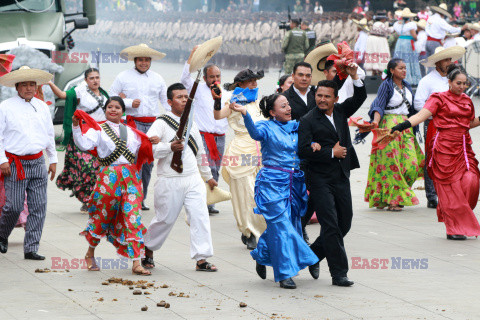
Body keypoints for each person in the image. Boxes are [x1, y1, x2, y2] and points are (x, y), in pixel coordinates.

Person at [230, 94, 319, 289]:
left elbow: (306, 145)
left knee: (287, 226)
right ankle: (288, 271)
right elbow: (253, 133)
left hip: (293, 183)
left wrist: (313, 144)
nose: (288, 109)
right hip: (271, 183)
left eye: (288, 105)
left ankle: (262, 255)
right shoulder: (266, 127)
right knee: (281, 226)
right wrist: (245, 113)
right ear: (272, 112)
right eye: (283, 106)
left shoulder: (297, 127)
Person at [391, 64, 480, 240]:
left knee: (471, 182)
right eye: (458, 83)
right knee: (451, 190)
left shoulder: (467, 101)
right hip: (443, 150)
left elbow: (468, 124)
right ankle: (454, 227)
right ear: (449, 82)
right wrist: (401, 126)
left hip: (463, 149)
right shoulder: (438, 98)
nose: (462, 87)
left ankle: (457, 217)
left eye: (465, 84)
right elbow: (420, 116)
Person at [298, 62, 366, 287]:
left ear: (335, 99)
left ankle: (313, 255)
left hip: (341, 176)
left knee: (345, 222)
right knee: (331, 225)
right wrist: (330, 152)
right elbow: (303, 150)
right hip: (319, 178)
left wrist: (355, 76)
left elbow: (359, 98)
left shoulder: (340, 111)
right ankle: (339, 273)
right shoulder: (308, 120)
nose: (322, 100)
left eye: (327, 96)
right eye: (319, 96)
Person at [72, 96, 154, 275]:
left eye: (117, 107)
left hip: (131, 178)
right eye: (110, 107)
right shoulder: (98, 130)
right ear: (106, 109)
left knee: (133, 216)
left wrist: (159, 143)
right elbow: (84, 144)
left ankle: (136, 262)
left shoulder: (133, 133)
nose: (113, 110)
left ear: (123, 111)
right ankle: (90, 252)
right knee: (103, 217)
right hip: (108, 178)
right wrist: (77, 127)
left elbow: (146, 150)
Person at [142, 83, 219, 272]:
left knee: (200, 217)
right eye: (180, 97)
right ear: (169, 101)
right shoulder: (161, 122)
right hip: (169, 179)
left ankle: (202, 259)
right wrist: (169, 147)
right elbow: (148, 149)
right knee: (165, 219)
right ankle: (148, 250)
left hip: (192, 178)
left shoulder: (192, 122)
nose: (185, 100)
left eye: (186, 96)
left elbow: (200, 153)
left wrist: (208, 177)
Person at [0, 66, 58, 260]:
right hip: (14, 164)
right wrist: (2, 161)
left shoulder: (42, 106)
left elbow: (49, 134)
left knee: (38, 206)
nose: (28, 88)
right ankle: (1, 234)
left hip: (38, 161)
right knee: (14, 206)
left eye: (32, 84)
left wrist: (53, 159)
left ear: (36, 86)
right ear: (17, 86)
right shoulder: (5, 106)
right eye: (24, 84)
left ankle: (31, 247)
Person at [109, 43, 168, 211]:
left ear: (150, 61)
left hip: (153, 124)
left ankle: (142, 198)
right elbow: (111, 97)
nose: (144, 63)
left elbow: (166, 102)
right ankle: (130, 195)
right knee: (132, 160)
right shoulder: (123, 76)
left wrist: (175, 118)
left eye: (147, 60)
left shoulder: (158, 78)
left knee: (148, 162)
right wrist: (128, 102)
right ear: (135, 60)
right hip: (132, 124)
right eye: (140, 60)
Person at [215, 69, 267, 250]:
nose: (254, 84)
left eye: (255, 81)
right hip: (241, 151)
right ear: (240, 84)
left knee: (261, 193)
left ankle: (259, 229)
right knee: (246, 194)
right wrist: (216, 101)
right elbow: (218, 116)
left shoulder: (258, 103)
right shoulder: (232, 102)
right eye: (250, 81)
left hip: (260, 150)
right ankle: (249, 231)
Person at [364, 58, 424, 211]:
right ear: (392, 70)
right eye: (400, 68)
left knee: (412, 165)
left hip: (406, 128)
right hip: (389, 128)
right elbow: (379, 105)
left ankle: (396, 195)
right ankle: (394, 200)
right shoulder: (386, 85)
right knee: (392, 166)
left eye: (405, 68)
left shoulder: (408, 86)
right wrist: (376, 123)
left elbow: (413, 110)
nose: (404, 71)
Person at [48, 68, 108, 214]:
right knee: (86, 168)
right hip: (83, 135)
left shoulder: (105, 95)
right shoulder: (79, 92)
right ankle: (86, 199)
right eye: (92, 78)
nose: (95, 80)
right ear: (86, 80)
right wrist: (50, 83)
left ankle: (93, 199)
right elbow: (62, 95)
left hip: (100, 135)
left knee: (99, 170)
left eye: (97, 78)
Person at [414, 46, 465, 209]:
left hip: (453, 125)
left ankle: (448, 190)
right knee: (432, 158)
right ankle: (432, 195)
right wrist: (435, 114)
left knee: (451, 157)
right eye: (446, 60)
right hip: (434, 123)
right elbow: (418, 104)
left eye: (450, 59)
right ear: (437, 63)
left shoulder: (453, 79)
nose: (449, 63)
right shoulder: (427, 81)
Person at [181, 46, 228, 215]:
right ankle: (199, 200)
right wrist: (192, 55)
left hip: (220, 137)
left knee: (215, 168)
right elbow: (184, 78)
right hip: (202, 136)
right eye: (212, 77)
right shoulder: (198, 88)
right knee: (203, 167)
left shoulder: (225, 92)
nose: (215, 79)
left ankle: (210, 201)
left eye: (218, 76)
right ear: (205, 78)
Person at [393, 8, 422, 85]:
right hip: (408, 43)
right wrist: (416, 39)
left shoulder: (397, 24)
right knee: (409, 60)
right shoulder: (411, 24)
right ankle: (410, 79)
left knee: (400, 59)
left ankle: (398, 78)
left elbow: (397, 34)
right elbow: (414, 36)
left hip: (400, 42)